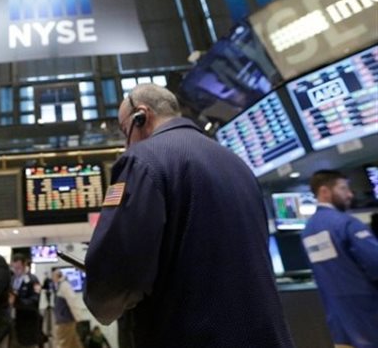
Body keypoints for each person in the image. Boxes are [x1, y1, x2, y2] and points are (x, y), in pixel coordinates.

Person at [84, 84, 294, 347]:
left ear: (141, 116)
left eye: (126, 132)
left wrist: (99, 295)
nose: (127, 143)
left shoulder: (142, 160)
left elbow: (117, 269)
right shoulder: (237, 163)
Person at [302, 170, 378, 348]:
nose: (350, 194)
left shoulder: (307, 230)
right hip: (368, 312)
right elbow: (375, 262)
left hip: (338, 318)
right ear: (324, 191)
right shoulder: (346, 223)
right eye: (343, 188)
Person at [9, 253, 43, 348]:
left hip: (28, 322)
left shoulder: (33, 280)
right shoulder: (12, 279)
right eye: (14, 268)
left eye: (18, 268)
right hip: (15, 322)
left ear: (25, 265)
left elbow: (35, 302)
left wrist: (17, 302)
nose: (16, 271)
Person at [50, 269, 83, 348]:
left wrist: (78, 317)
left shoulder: (64, 285)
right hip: (65, 320)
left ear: (57, 276)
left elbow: (72, 301)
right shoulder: (60, 285)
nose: (52, 278)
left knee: (62, 343)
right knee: (74, 344)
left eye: (53, 276)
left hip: (65, 321)